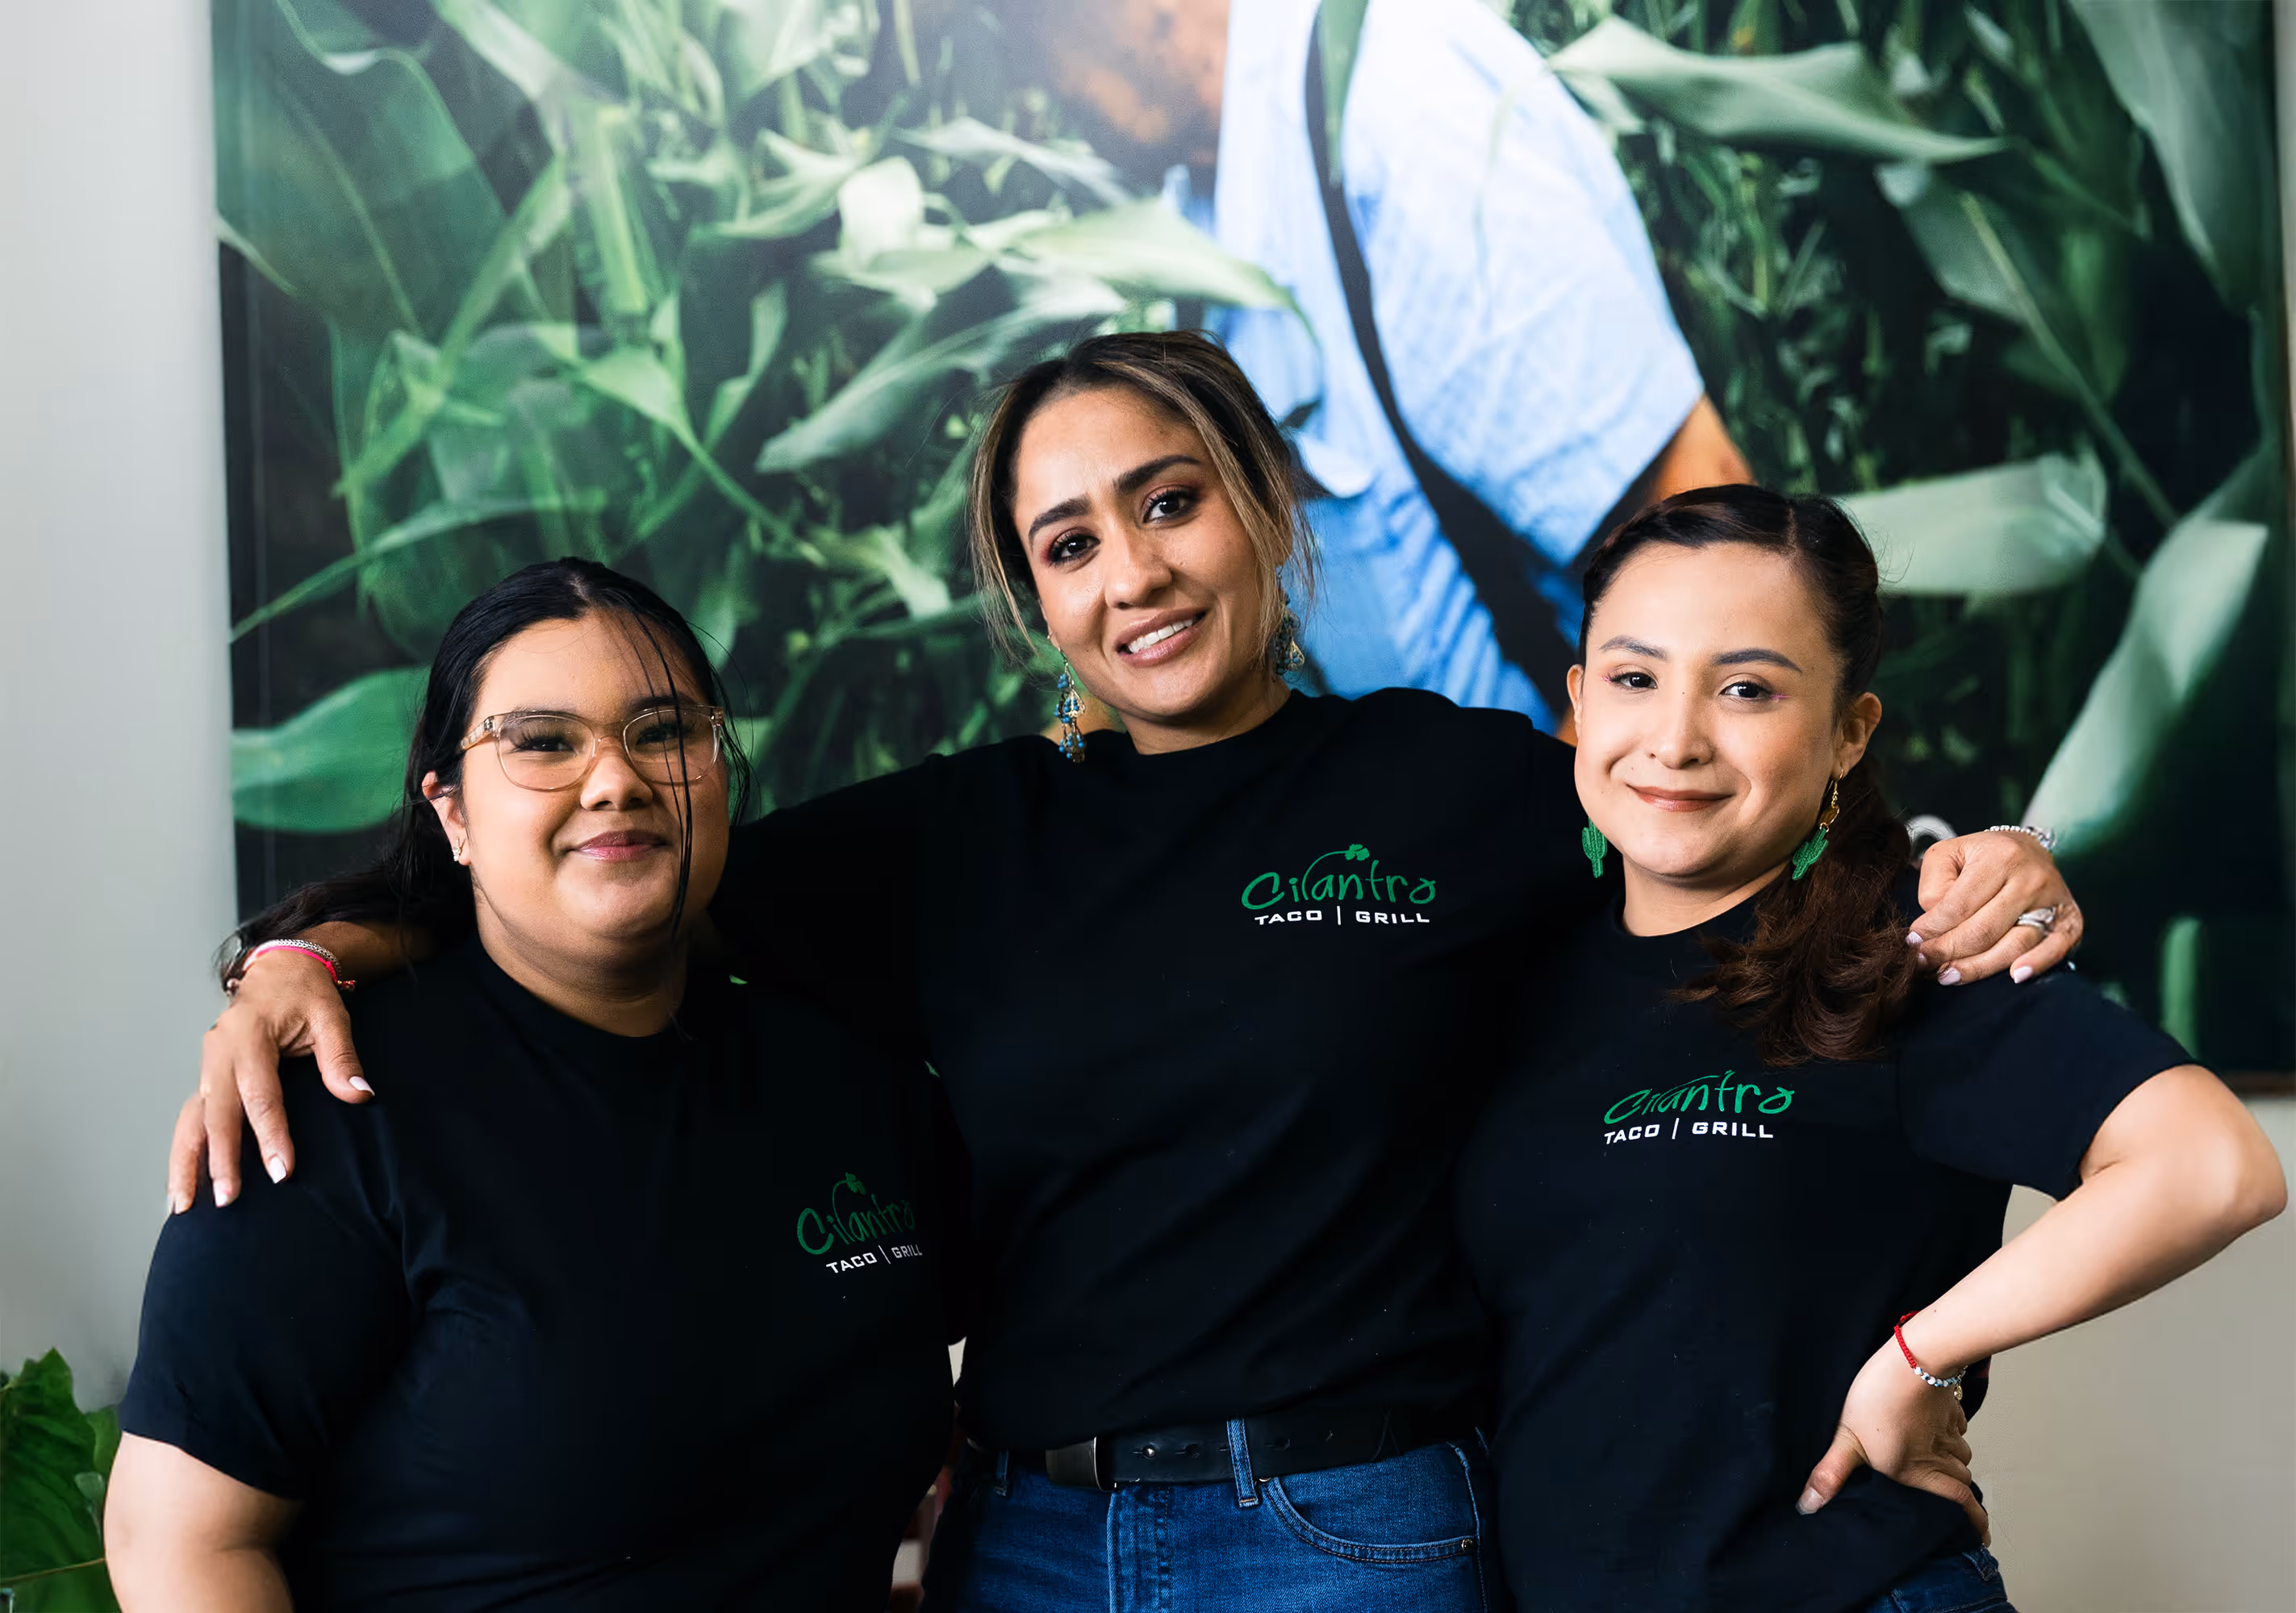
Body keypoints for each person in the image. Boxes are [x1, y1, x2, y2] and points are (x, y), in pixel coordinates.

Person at [173, 336, 2074, 1610]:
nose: (1132, 573)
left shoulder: (1462, 786)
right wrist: (297, 949)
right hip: (1024, 1535)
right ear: (1028, 594)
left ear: (1259, 501)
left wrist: (1960, 858)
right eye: (1065, 540)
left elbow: (1734, 843)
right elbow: (601, 852)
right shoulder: (951, 840)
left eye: (1167, 501)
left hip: (1362, 1525)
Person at [1451, 486, 2285, 1611]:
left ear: (1848, 729)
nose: (1674, 738)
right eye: (1634, 677)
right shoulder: (1513, 968)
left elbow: (2209, 1167)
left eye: (1746, 687)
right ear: (1578, 699)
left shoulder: (1907, 949)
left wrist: (1919, 1357)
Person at [106, 563, 955, 1611]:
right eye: (543, 743)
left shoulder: (846, 1080)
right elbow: (179, 1544)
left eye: (662, 732)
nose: (615, 780)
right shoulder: (326, 1113)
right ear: (451, 814)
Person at [1000, 0, 1747, 727]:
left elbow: (1702, 541)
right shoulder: (1203, 200)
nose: (1034, 81)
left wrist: (1553, 831)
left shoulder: (1401, 113)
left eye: (1028, 26)